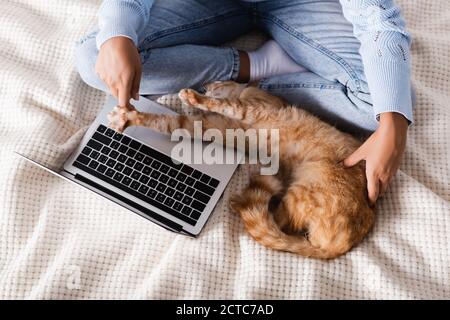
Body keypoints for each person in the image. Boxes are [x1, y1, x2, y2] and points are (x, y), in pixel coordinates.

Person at [75, 0, 415, 206]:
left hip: (300, 6)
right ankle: (255, 65)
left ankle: (266, 73)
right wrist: (118, 35)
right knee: (95, 54)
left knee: (387, 102)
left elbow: (378, 19)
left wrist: (393, 127)